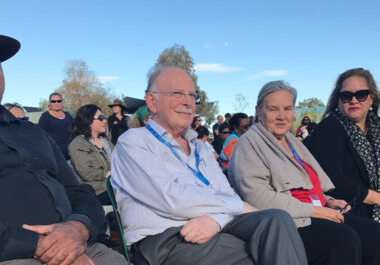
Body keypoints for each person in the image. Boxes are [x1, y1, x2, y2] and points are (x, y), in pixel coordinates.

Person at [111, 66, 307, 265]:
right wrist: (239, 207)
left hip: (216, 226)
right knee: (262, 253)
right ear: (152, 102)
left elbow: (225, 193)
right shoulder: (134, 142)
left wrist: (216, 221)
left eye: (191, 95)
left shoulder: (201, 147)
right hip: (165, 238)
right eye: (177, 93)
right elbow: (173, 199)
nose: (188, 102)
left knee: (278, 219)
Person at [0, 35, 126, 264]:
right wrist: (42, 245)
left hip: (81, 243)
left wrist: (78, 228)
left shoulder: (33, 133)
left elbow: (79, 192)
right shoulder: (52, 127)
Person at [229, 80, 380, 265]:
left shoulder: (292, 142)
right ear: (259, 111)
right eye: (273, 109)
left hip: (313, 211)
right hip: (289, 222)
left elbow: (307, 187)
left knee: (375, 234)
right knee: (343, 240)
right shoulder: (248, 144)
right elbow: (258, 198)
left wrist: (328, 201)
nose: (282, 116)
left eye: (288, 108)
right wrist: (316, 211)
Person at [306, 68, 380, 222]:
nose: (354, 100)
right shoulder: (329, 128)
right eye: (346, 96)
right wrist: (375, 198)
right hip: (345, 210)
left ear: (371, 98)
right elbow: (331, 177)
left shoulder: (376, 126)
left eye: (361, 95)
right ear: (338, 100)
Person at [68, 104, 113, 205]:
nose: (104, 121)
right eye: (100, 118)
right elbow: (87, 173)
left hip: (112, 186)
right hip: (95, 192)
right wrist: (109, 174)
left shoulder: (106, 142)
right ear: (88, 120)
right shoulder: (78, 143)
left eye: (104, 117)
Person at [38, 92, 73, 160]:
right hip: (55, 152)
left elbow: (75, 129)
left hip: (70, 151)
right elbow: (40, 134)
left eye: (59, 101)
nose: (56, 103)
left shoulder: (68, 115)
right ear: (50, 103)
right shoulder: (45, 116)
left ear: (62, 102)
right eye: (53, 101)